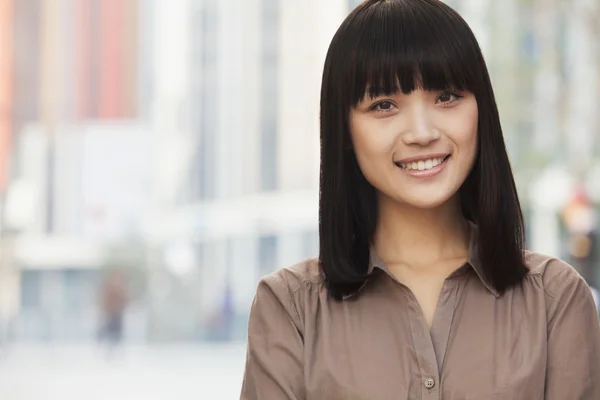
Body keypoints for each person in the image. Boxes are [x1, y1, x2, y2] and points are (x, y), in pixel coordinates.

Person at [240, 0, 600, 398]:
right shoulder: (291, 308)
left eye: (446, 97)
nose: (421, 132)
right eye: (384, 105)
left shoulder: (555, 300)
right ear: (343, 130)